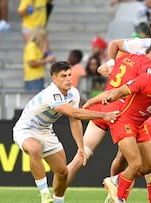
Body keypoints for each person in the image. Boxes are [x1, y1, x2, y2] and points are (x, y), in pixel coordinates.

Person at [65, 42, 151, 194]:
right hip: (121, 113)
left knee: (82, 156)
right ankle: (116, 191)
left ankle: (57, 196)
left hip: (102, 108)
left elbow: (102, 69)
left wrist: (93, 99)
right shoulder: (147, 68)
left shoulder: (124, 58)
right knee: (130, 161)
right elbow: (137, 88)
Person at [12, 61, 119, 203]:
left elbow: (74, 121)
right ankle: (44, 194)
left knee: (63, 172)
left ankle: (58, 201)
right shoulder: (51, 93)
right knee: (34, 148)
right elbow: (74, 113)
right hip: (26, 129)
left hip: (45, 131)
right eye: (63, 76)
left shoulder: (73, 93)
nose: (68, 79)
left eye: (70, 75)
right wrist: (103, 115)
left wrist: (81, 147)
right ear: (54, 78)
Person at [88, 56, 151, 203]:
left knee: (150, 165)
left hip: (140, 126)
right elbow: (122, 90)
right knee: (135, 164)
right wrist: (112, 96)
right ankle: (120, 197)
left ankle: (115, 180)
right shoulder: (145, 80)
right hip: (123, 122)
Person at [23, 26, 56, 92]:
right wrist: (46, 60)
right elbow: (31, 63)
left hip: (38, 78)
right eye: (44, 37)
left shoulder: (37, 47)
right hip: (33, 79)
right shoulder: (32, 46)